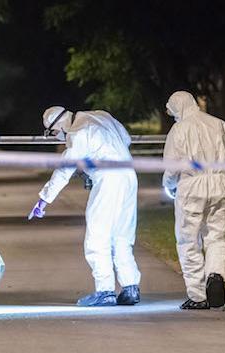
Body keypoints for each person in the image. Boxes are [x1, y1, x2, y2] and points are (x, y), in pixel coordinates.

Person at [28, 106, 141, 307]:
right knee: (122, 235)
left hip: (107, 179)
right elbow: (126, 138)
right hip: (128, 175)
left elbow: (64, 170)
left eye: (54, 133)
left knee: (97, 236)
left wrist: (43, 200)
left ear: (59, 124)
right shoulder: (101, 116)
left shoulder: (77, 132)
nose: (57, 137)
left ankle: (105, 290)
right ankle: (130, 287)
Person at [162, 91, 225, 310]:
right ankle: (216, 274)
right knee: (216, 235)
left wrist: (169, 185)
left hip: (192, 186)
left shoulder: (179, 129)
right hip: (220, 184)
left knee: (188, 239)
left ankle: (197, 295)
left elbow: (173, 166)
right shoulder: (219, 124)